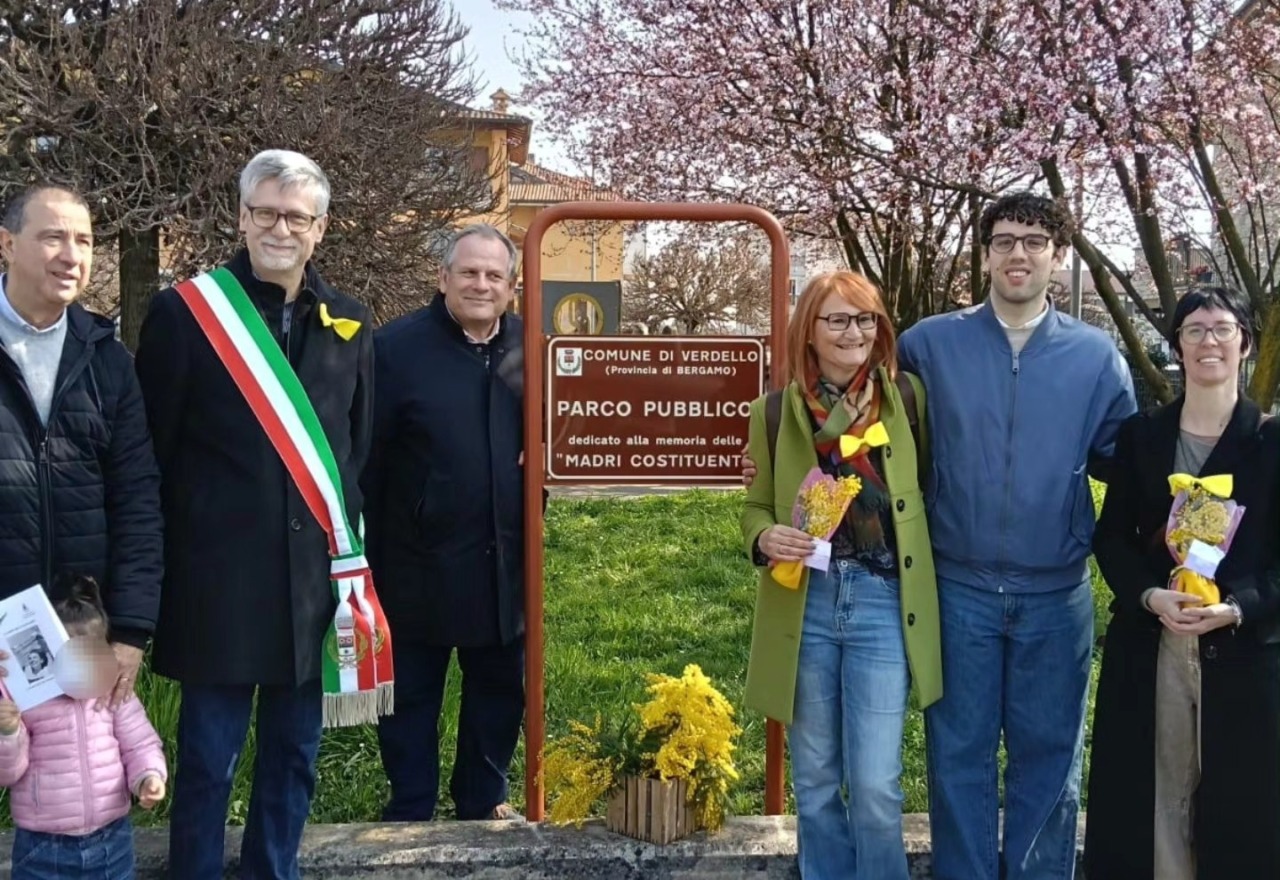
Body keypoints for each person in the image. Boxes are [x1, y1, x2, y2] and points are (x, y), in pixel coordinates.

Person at [135, 150, 374, 879]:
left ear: (320, 229)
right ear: (241, 217)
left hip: (312, 590)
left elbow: (356, 454)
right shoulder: (185, 313)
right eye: (265, 212)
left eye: (296, 217)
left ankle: (276, 870)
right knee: (208, 760)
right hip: (220, 583)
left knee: (295, 758)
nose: (280, 228)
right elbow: (155, 452)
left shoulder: (353, 325)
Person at [896, 192, 1135, 880]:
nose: (1018, 254)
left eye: (1034, 241)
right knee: (957, 755)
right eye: (1004, 241)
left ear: (1057, 256)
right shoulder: (929, 345)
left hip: (1056, 594)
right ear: (985, 254)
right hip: (958, 586)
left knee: (1051, 759)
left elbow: (1129, 464)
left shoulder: (1097, 359)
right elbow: (874, 434)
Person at [740, 271, 942, 879]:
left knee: (877, 785)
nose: (854, 332)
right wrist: (761, 535)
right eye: (838, 319)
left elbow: (928, 488)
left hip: (883, 602)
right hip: (808, 605)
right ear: (810, 331)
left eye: (866, 319)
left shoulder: (906, 400)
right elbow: (755, 503)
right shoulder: (775, 413)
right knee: (817, 780)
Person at [1085, 286, 1280, 879]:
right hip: (1156, 643)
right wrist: (1149, 595)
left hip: (1242, 650)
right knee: (1156, 805)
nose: (1208, 342)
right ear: (1177, 347)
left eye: (1222, 329)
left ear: (1244, 343)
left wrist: (1239, 607)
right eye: (1193, 331)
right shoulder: (1143, 436)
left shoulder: (1271, 441)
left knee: (1240, 808)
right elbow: (1111, 537)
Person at [362, 223, 526, 821]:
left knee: (500, 690)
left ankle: (484, 799)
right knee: (409, 696)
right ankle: (409, 804)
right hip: (415, 561)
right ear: (443, 278)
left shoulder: (533, 349)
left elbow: (573, 430)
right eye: (468, 272)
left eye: (493, 275)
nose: (481, 284)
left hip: (505, 561)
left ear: (512, 286)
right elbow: (368, 460)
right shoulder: (393, 350)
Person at [0, 184, 163, 707]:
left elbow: (137, 500)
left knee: (77, 787)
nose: (72, 256)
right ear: (7, 244)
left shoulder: (109, 364)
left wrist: (131, 631)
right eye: (53, 238)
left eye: (86, 241)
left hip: (84, 641)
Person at [0, 575, 167, 880]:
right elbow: (7, 772)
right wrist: (8, 732)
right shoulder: (27, 703)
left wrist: (149, 776)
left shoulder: (114, 697)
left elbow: (140, 744)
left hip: (112, 840)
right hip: (42, 845)